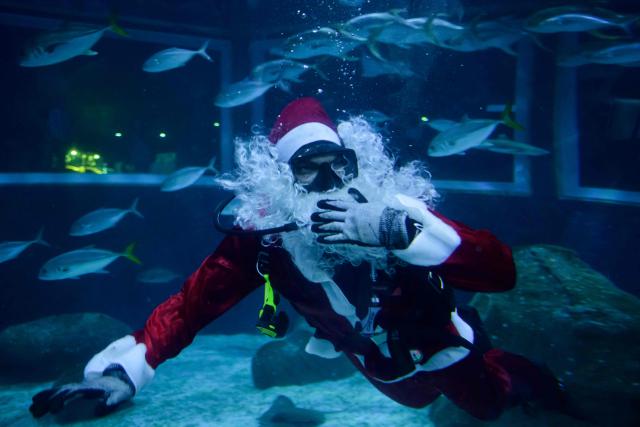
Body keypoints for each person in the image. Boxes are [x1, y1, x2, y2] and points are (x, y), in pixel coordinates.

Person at [29, 97, 567, 421]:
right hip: (367, 356)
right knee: (411, 397)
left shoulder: (395, 207)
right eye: (311, 168)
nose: (331, 181)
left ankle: (531, 380)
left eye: (341, 164)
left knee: (485, 402)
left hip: (435, 337)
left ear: (357, 163)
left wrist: (401, 232)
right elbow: (191, 306)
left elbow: (500, 269)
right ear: (282, 180)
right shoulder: (265, 238)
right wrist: (125, 372)